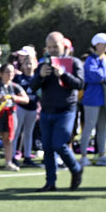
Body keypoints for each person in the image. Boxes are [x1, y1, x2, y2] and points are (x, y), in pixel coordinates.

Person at [29, 32, 85, 192]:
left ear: (64, 45)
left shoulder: (74, 62)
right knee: (47, 147)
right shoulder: (43, 64)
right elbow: (32, 87)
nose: (53, 49)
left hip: (66, 110)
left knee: (59, 144)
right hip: (46, 110)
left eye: (56, 46)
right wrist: (40, 76)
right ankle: (50, 182)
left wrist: (63, 74)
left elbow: (80, 84)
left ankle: (76, 169)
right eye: (50, 47)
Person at [81, 33, 106, 166]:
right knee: (89, 127)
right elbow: (96, 76)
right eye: (105, 43)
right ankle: (83, 156)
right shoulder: (90, 60)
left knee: (103, 127)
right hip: (92, 98)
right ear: (98, 45)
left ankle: (102, 155)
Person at [0, 63, 29, 172]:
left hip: (10, 114)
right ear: (0, 74)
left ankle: (9, 162)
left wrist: (15, 97)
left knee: (8, 139)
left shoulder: (15, 86)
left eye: (12, 72)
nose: (10, 74)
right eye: (8, 72)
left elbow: (26, 99)